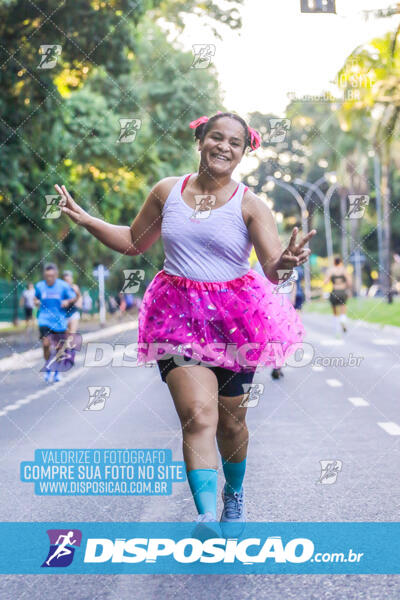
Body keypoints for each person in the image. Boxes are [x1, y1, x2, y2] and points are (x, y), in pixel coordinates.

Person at [54, 111, 316, 533]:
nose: (224, 147)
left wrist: (286, 261)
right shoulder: (166, 192)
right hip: (176, 315)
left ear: (244, 151)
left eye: (235, 142)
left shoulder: (250, 204)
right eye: (216, 138)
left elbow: (271, 267)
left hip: (235, 322)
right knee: (197, 414)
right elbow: (134, 243)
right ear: (200, 141)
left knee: (232, 423)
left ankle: (234, 496)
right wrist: (89, 221)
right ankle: (206, 516)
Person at [34, 263, 77, 383]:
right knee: (46, 344)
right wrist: (37, 302)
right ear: (44, 275)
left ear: (56, 275)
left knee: (59, 348)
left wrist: (67, 301)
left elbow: (73, 298)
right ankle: (48, 367)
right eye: (47, 276)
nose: (49, 278)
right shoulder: (40, 286)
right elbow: (35, 298)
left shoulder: (63, 286)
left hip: (59, 322)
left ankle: (56, 370)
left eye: (52, 276)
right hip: (44, 319)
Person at [323, 256, 352, 334]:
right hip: (342, 291)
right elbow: (349, 282)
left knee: (335, 312)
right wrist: (348, 289)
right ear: (341, 262)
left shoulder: (331, 270)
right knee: (343, 308)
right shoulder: (344, 270)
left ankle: (337, 329)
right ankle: (343, 320)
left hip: (334, 292)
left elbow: (325, 282)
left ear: (334, 262)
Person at [62, 270, 82, 368]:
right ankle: (68, 353)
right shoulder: (61, 289)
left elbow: (79, 298)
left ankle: (70, 355)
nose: (67, 281)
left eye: (68, 279)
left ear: (71, 279)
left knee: (72, 334)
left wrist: (77, 302)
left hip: (73, 313)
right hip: (64, 314)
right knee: (66, 336)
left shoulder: (75, 288)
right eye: (65, 280)